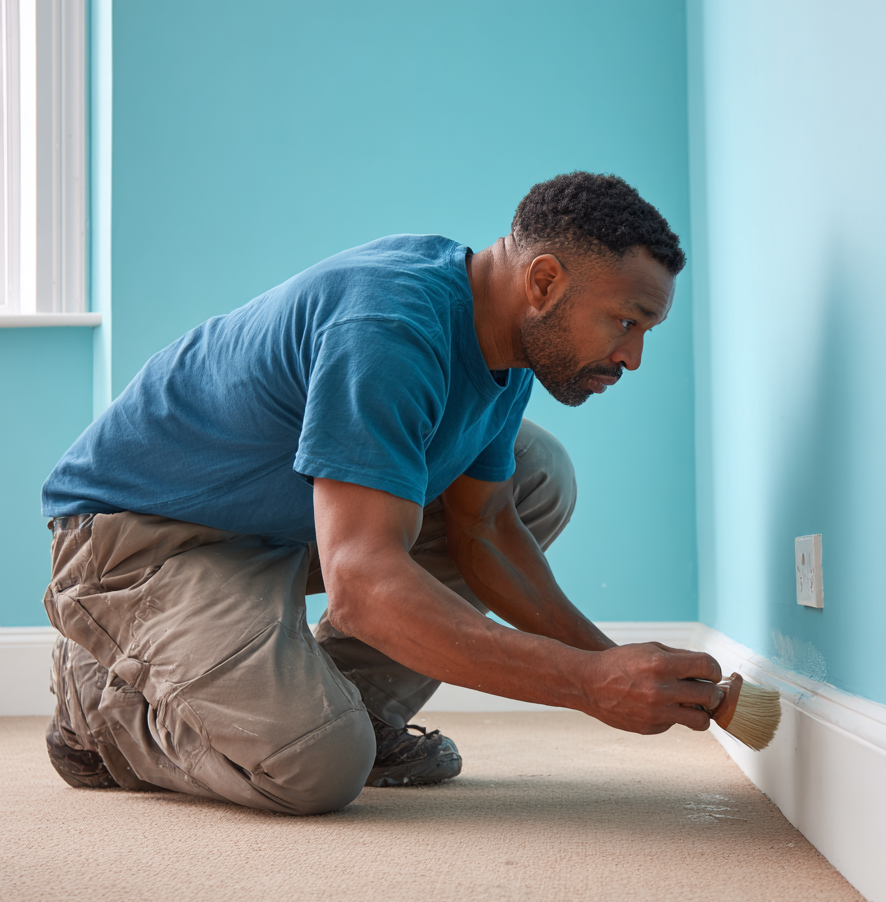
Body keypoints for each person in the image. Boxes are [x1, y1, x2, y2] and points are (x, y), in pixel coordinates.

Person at [40, 171, 725, 815]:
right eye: (626, 322)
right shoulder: (389, 325)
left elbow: (485, 532)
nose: (632, 356)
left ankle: (349, 706)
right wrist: (586, 686)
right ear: (543, 282)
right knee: (316, 768)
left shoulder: (507, 344)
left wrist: (613, 665)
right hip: (142, 540)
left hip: (277, 524)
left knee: (533, 473)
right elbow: (363, 585)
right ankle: (101, 712)